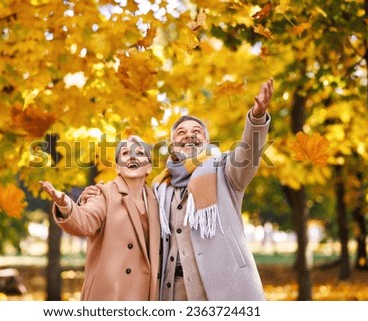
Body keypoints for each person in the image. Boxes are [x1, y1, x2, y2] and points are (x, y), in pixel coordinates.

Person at [81, 78, 274, 300]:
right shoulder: (158, 186)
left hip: (219, 287)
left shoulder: (226, 171)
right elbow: (129, 207)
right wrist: (100, 196)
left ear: (206, 140)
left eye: (196, 131)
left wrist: (257, 118)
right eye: (181, 132)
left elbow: (248, 156)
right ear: (173, 146)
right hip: (171, 290)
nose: (189, 135)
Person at [40, 136, 160, 301]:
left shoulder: (156, 200)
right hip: (111, 295)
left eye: (139, 153)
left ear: (148, 167)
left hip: (146, 297)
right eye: (125, 153)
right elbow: (85, 221)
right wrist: (66, 205)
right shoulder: (104, 194)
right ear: (118, 168)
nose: (132, 157)